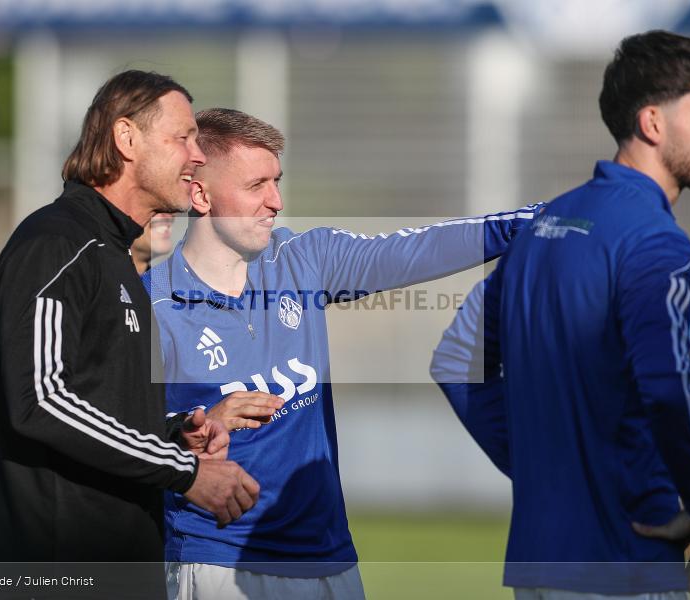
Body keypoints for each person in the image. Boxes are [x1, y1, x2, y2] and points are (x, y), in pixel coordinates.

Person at [143, 107, 543, 599]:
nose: (275, 201)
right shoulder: (151, 308)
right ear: (201, 194)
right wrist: (184, 429)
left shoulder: (303, 261)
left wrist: (531, 223)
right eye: (256, 186)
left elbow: (414, 250)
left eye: (277, 182)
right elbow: (116, 434)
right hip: (218, 563)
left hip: (328, 559)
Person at [431, 30, 690, 598]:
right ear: (653, 122)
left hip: (539, 560)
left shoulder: (543, 226)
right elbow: (669, 386)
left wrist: (542, 470)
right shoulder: (656, 241)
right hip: (627, 557)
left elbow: (454, 358)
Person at [0, 71, 259, 599]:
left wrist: (171, 432)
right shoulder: (56, 245)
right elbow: (42, 400)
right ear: (126, 139)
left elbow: (95, 401)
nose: (197, 156)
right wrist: (184, 471)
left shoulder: (116, 260)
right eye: (183, 138)